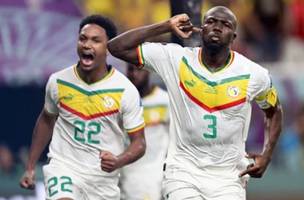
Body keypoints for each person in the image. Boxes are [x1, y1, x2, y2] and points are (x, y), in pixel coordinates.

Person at [108, 6, 283, 200]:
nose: (216, 27)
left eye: (225, 24)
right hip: (183, 173)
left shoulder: (253, 74)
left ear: (234, 37)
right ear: (201, 29)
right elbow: (116, 47)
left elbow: (274, 111)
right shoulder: (175, 59)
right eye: (210, 22)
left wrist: (267, 154)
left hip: (229, 178)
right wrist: (166, 25)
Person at [19, 15, 146, 200]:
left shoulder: (125, 90)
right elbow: (47, 119)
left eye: (96, 40)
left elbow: (140, 143)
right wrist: (30, 167)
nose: (87, 45)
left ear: (108, 47)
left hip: (102, 181)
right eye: (83, 38)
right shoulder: (58, 81)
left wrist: (118, 161)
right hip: (63, 168)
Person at [120, 64, 170, 200]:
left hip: (157, 174)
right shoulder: (121, 103)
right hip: (129, 176)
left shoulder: (165, 100)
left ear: (148, 71)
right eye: (130, 69)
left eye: (139, 69)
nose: (134, 74)